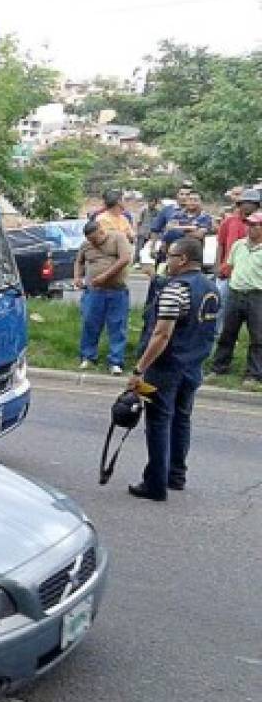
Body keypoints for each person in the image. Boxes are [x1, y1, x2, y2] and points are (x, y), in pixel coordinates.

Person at [126, 236, 220, 501]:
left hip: (166, 367)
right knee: (181, 419)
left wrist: (138, 370)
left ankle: (155, 484)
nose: (166, 262)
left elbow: (161, 335)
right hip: (193, 365)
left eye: (170, 257)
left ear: (183, 260)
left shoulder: (175, 289)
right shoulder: (211, 288)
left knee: (158, 421)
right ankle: (176, 475)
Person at [208, 211, 262, 390]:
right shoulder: (239, 245)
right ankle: (219, 368)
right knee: (227, 333)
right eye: (250, 225)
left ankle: (253, 374)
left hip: (257, 295)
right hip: (235, 292)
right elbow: (229, 265)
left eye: (255, 225)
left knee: (258, 337)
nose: (251, 228)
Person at [75, 219, 133, 374]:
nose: (93, 243)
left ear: (101, 231)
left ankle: (116, 361)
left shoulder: (118, 238)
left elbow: (124, 259)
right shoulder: (86, 245)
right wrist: (77, 277)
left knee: (117, 326)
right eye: (90, 240)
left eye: (95, 239)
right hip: (94, 292)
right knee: (90, 323)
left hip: (117, 291)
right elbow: (79, 262)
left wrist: (105, 276)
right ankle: (88, 356)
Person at [213, 188, 260, 336]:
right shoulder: (229, 221)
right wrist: (217, 266)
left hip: (248, 275)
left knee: (249, 313)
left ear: (257, 205)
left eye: (251, 203)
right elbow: (220, 244)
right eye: (244, 202)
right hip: (227, 271)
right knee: (220, 304)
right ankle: (216, 335)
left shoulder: (259, 222)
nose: (247, 206)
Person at [146, 182, 193, 273]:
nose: (184, 197)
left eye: (187, 195)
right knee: (161, 278)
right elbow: (155, 229)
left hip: (187, 251)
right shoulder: (167, 210)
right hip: (167, 250)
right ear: (177, 195)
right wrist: (152, 247)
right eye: (182, 194)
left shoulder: (194, 212)